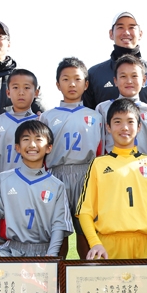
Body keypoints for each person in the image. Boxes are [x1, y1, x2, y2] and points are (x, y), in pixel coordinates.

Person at [76, 99, 147, 260]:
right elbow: (85, 211)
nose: (124, 127)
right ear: (108, 127)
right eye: (117, 122)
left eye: (130, 121)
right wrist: (95, 243)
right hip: (108, 246)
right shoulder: (99, 164)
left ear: (139, 127)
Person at [0, 121, 73, 258]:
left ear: (48, 148)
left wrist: (52, 254)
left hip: (44, 250)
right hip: (12, 249)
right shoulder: (4, 179)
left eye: (38, 139)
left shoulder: (56, 185)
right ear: (17, 148)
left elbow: (59, 224)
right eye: (26, 139)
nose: (32, 145)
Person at [40, 58, 103, 259]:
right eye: (66, 79)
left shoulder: (96, 116)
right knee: (58, 232)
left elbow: (101, 151)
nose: (72, 84)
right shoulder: (47, 116)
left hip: (87, 174)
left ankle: (89, 277)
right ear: (58, 85)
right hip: (57, 175)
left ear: (86, 84)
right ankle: (58, 279)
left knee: (87, 231)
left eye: (77, 79)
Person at [84, 12, 147, 113]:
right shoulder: (94, 74)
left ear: (140, 34)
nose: (126, 32)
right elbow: (87, 117)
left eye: (132, 27)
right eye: (120, 27)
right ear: (111, 34)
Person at [0, 69, 39, 201]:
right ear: (8, 92)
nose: (21, 92)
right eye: (15, 87)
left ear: (36, 92)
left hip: (33, 188)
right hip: (2, 189)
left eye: (26, 87)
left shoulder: (41, 122)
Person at [96, 55, 147, 154]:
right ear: (115, 81)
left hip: (143, 166)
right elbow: (99, 143)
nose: (129, 81)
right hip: (113, 165)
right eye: (123, 76)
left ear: (144, 80)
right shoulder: (103, 108)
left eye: (134, 76)